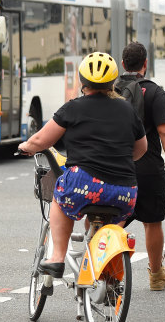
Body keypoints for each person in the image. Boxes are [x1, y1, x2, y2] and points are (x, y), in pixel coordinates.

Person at [18, 52, 147, 278]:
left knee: (60, 196)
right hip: (125, 191)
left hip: (85, 185)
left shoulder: (73, 108)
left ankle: (57, 258)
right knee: (106, 218)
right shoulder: (127, 110)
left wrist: (26, 146)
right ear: (113, 82)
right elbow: (141, 149)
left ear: (82, 81)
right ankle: (102, 262)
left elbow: (41, 140)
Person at [118, 42, 165, 291]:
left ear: (123, 64)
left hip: (116, 167)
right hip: (147, 168)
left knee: (113, 219)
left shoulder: (110, 91)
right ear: (145, 64)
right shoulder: (154, 92)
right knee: (152, 222)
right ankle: (156, 275)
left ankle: (104, 270)